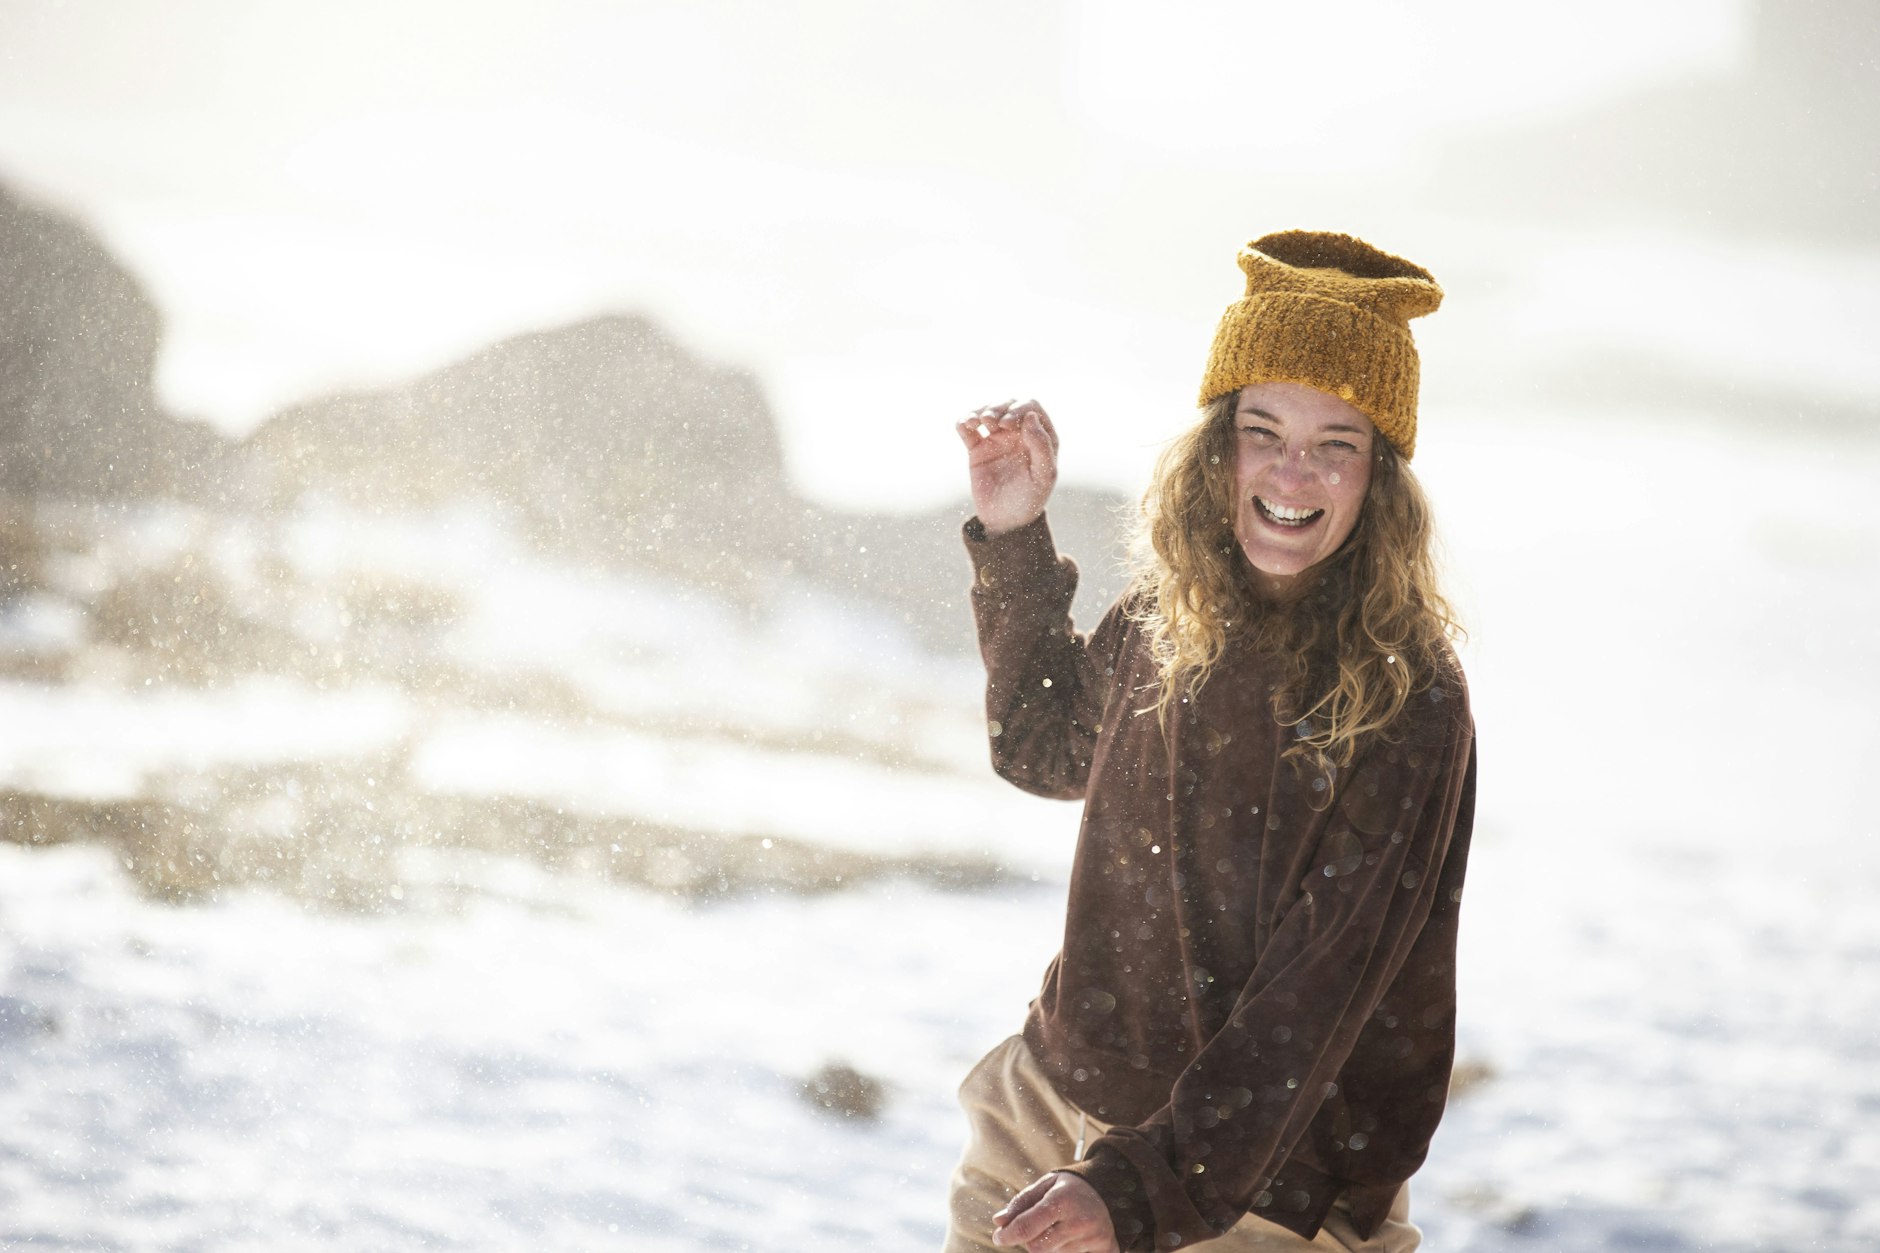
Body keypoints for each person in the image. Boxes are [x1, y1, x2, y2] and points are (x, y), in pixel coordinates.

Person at [945, 230, 1477, 1253]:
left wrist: (1139, 1188)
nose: (1291, 470)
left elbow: (1314, 991)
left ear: (1379, 477)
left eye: (1335, 442)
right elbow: (1043, 749)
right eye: (1261, 428)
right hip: (1047, 1105)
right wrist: (1014, 538)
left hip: (1255, 1184)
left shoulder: (1404, 696)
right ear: (1215, 445)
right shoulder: (1167, 612)